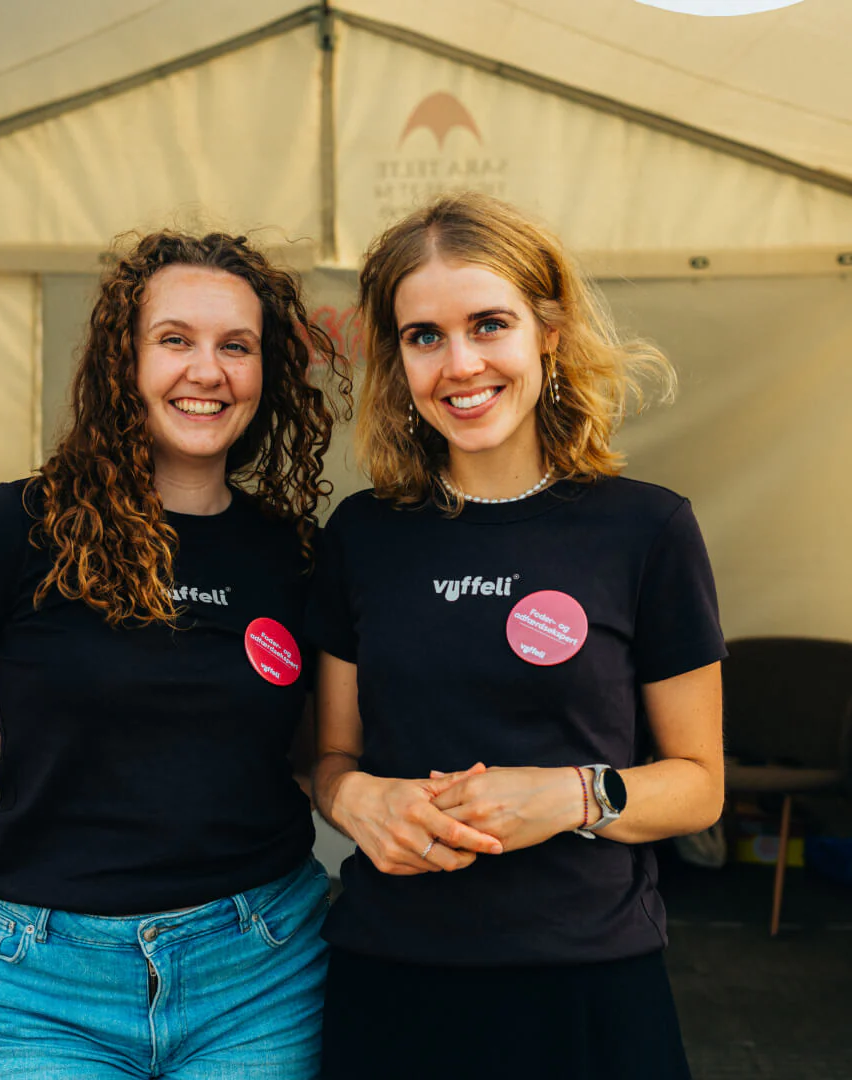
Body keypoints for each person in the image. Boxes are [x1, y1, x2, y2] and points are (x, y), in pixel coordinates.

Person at [0, 230, 349, 1079]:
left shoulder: (295, 555)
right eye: (174, 340)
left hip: (258, 969)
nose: (206, 371)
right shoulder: (18, 529)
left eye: (235, 346)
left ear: (267, 373)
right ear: (122, 362)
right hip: (40, 987)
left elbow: (315, 755)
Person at [309, 193, 725, 1080]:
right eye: (425, 337)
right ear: (398, 360)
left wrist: (574, 796)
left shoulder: (646, 530)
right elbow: (328, 755)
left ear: (549, 332)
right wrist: (355, 803)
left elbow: (699, 787)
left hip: (589, 987)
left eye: (488, 324)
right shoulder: (363, 535)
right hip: (392, 981)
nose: (460, 365)